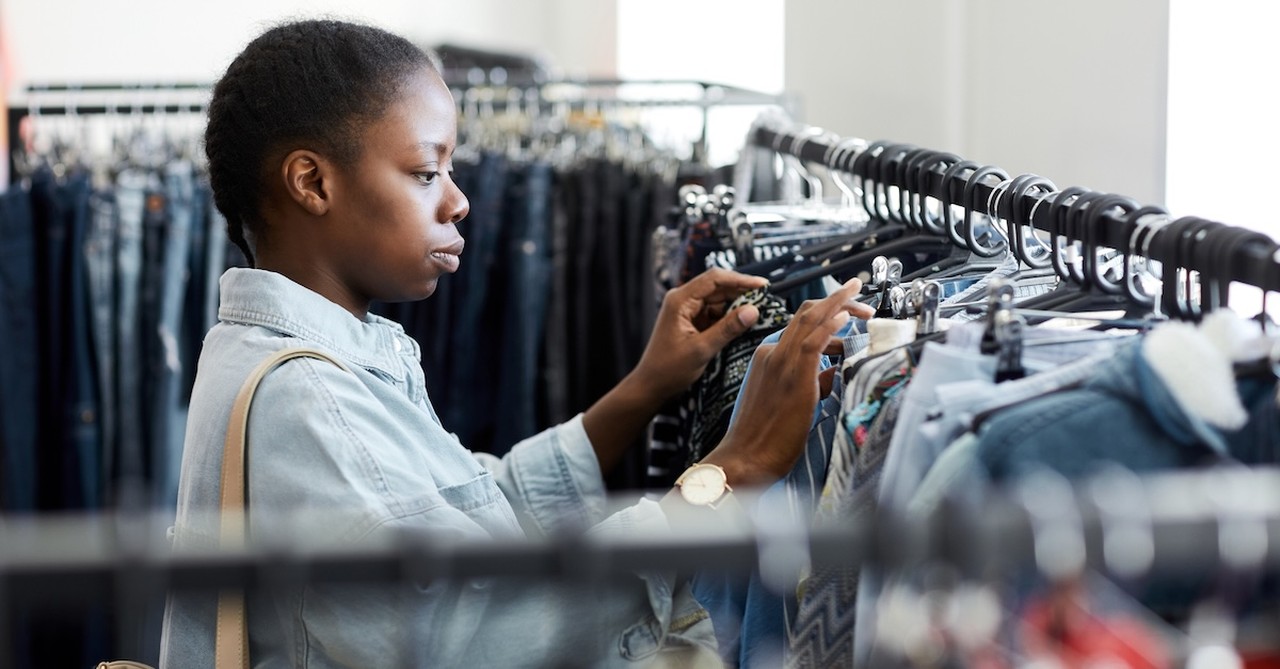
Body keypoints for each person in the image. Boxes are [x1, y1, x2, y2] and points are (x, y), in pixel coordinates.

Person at [159, 18, 872, 668]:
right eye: (425, 171)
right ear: (312, 181)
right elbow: (487, 632)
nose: (458, 199)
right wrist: (732, 469)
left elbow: (471, 511)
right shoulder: (311, 401)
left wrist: (642, 388)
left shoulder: (280, 355)